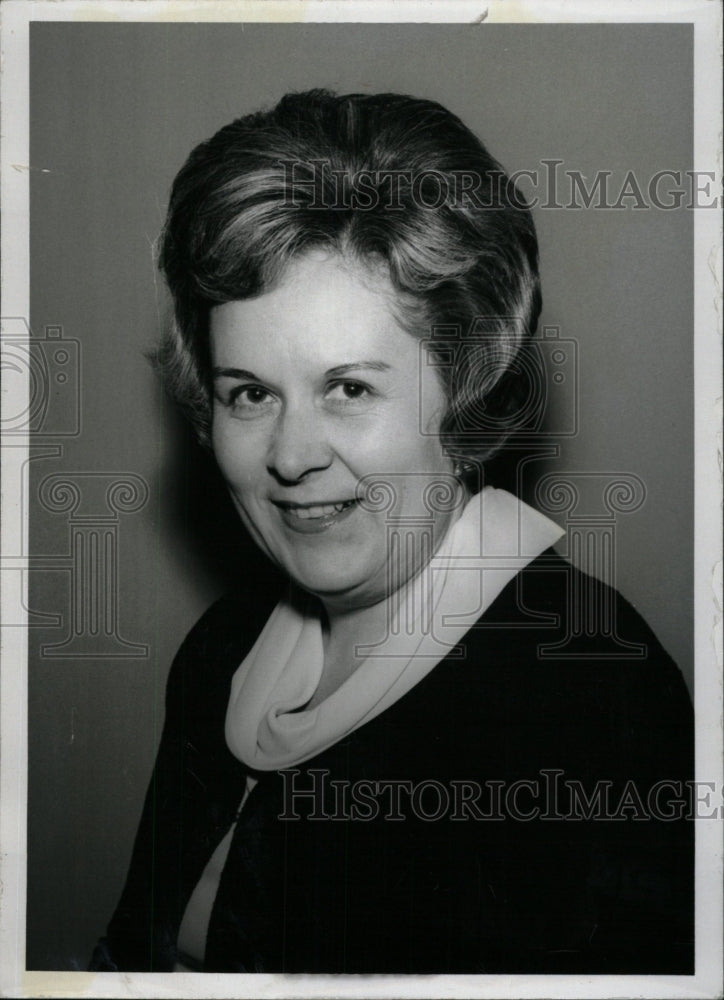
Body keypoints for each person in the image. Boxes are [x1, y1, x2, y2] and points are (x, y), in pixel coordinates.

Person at [90, 90, 693, 974]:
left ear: (465, 387)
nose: (290, 456)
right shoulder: (224, 651)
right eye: (249, 393)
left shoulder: (588, 700)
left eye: (350, 388)